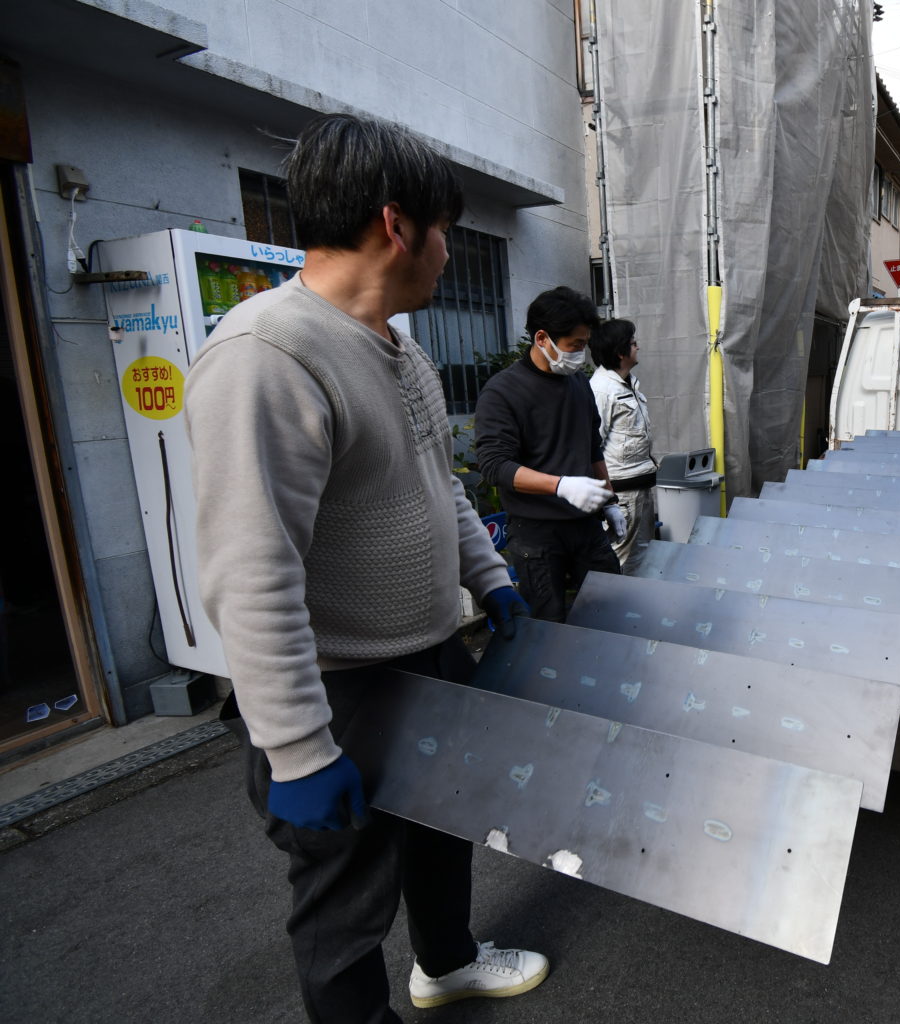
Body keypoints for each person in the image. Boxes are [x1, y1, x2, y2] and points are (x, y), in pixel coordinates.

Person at [186, 113, 546, 1023]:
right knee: (346, 897)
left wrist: (490, 579)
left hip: (427, 651)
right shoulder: (268, 355)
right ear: (397, 226)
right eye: (445, 229)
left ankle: (447, 963)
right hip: (341, 684)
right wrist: (298, 749)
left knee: (441, 829)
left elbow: (438, 484)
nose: (448, 252)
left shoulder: (397, 341)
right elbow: (251, 569)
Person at [474, 287, 623, 620]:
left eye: (584, 345)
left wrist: (610, 501)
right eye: (575, 345)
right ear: (542, 338)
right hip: (536, 534)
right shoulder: (503, 392)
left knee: (611, 611)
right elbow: (495, 466)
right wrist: (560, 485)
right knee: (547, 623)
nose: (581, 354)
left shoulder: (578, 383)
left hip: (586, 525)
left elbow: (592, 447)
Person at [588, 318, 659, 571]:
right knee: (620, 558)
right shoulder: (602, 390)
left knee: (643, 558)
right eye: (633, 343)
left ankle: (638, 597)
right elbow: (591, 446)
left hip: (641, 486)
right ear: (620, 352)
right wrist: (608, 499)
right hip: (622, 494)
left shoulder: (629, 383)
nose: (637, 347)